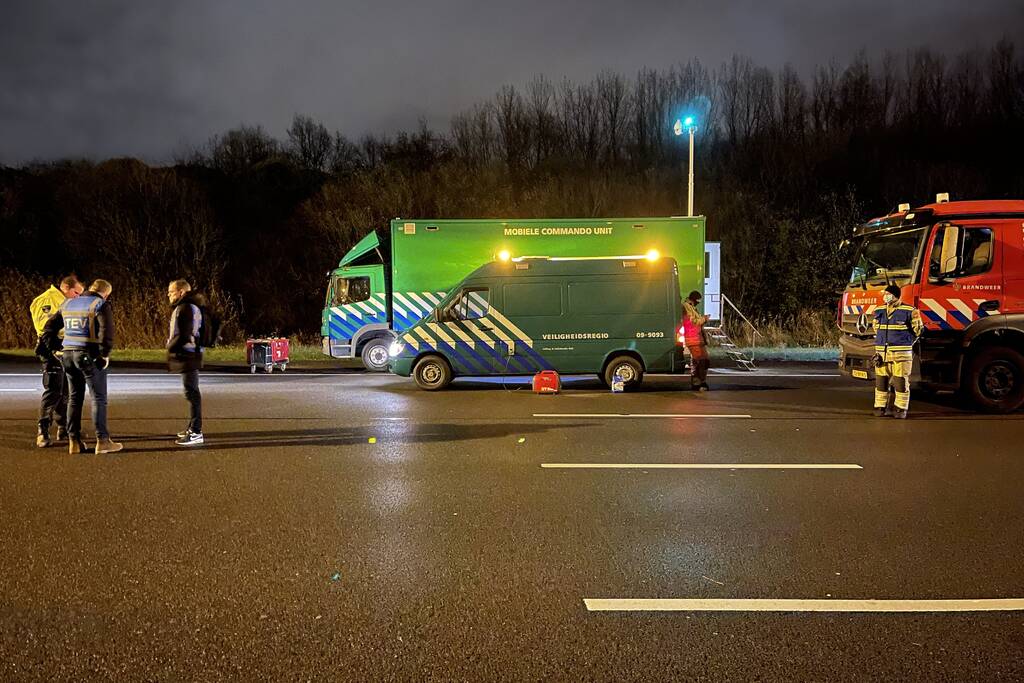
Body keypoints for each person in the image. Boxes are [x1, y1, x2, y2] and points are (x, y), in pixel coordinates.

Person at [41, 279, 122, 454]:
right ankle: (103, 441)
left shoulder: (69, 303)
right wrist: (104, 354)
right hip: (88, 355)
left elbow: (49, 327)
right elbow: (106, 332)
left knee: (74, 398)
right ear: (106, 293)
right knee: (98, 398)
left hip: (68, 355)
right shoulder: (100, 304)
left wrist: (56, 346)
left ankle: (74, 442)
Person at [29, 275, 83, 447]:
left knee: (66, 390)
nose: (78, 297)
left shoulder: (68, 302)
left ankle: (63, 427)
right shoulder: (46, 300)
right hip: (50, 348)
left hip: (66, 347)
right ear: (66, 288)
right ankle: (42, 430)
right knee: (54, 388)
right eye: (76, 293)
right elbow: (45, 328)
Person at [872, 284, 923, 419]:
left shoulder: (910, 311)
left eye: (888, 294)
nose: (885, 296)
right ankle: (880, 407)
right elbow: (876, 329)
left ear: (895, 295)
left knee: (900, 382)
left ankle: (901, 409)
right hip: (882, 354)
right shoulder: (879, 310)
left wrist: (906, 342)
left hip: (901, 354)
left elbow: (918, 330)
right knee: (881, 381)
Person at [167, 279, 205, 446]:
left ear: (181, 292)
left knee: (192, 393)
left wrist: (169, 347)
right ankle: (192, 427)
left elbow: (184, 334)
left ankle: (196, 431)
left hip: (189, 354)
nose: (169, 295)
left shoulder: (186, 308)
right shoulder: (190, 306)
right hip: (191, 353)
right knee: (191, 392)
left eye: (171, 291)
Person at [682, 290, 711, 391]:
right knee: (701, 361)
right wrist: (704, 319)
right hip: (693, 339)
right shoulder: (687, 307)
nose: (698, 303)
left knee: (702, 361)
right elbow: (692, 322)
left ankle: (699, 382)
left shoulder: (692, 307)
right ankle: (699, 383)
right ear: (693, 299)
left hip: (698, 339)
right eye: (697, 301)